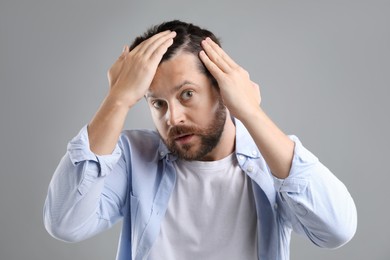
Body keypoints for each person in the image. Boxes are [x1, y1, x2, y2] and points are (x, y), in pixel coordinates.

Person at [43, 20, 357, 260]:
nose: (173, 118)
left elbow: (336, 230)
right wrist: (117, 101)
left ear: (221, 89)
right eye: (158, 103)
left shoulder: (273, 158)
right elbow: (66, 223)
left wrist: (250, 112)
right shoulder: (132, 156)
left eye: (187, 94)